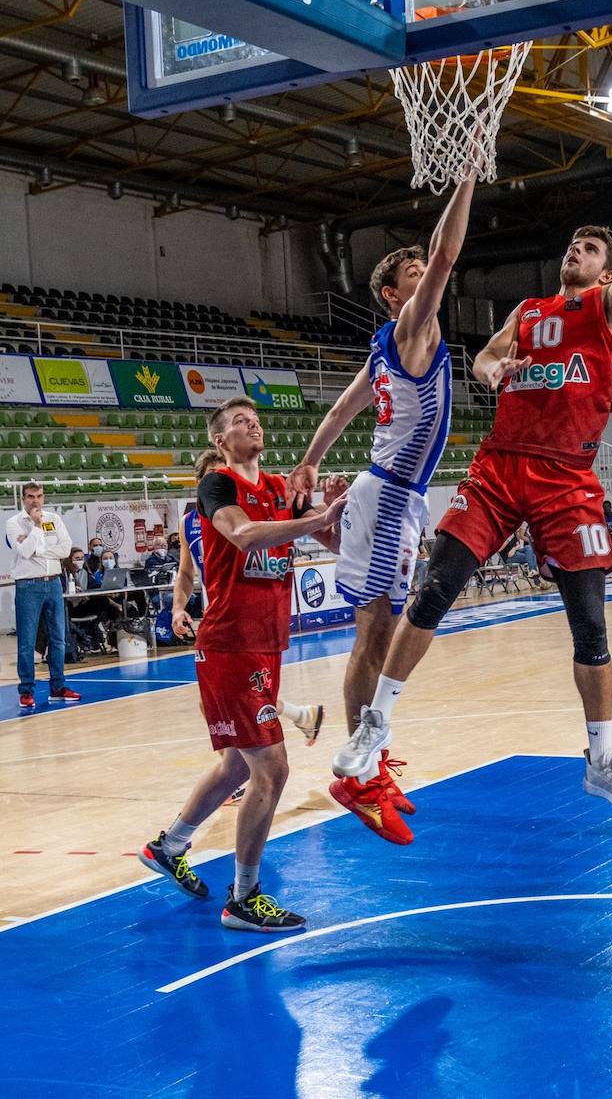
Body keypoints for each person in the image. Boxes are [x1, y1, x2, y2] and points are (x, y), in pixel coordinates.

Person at [336, 123, 612, 820]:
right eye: (573, 244)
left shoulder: (606, 309)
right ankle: (373, 728)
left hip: (568, 478)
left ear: (604, 270)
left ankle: (599, 758)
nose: (576, 250)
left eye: (589, 248)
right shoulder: (528, 312)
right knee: (435, 587)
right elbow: (481, 360)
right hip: (500, 466)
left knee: (589, 627)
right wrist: (493, 365)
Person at [288, 158, 479, 846]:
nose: (426, 272)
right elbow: (451, 251)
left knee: (379, 627)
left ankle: (365, 762)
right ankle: (356, 776)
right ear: (395, 297)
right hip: (390, 494)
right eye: (413, 272)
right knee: (373, 634)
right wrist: (466, 178)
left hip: (392, 495)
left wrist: (310, 460)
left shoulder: (381, 351)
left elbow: (339, 411)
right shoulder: (409, 332)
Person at [140, 396, 344, 932]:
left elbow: (331, 539)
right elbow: (243, 533)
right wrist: (314, 519)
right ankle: (245, 897)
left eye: (254, 419)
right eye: (237, 422)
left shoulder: (282, 486)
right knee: (272, 768)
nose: (251, 424)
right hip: (230, 644)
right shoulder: (219, 487)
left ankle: (171, 846)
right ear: (220, 442)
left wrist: (334, 511)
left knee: (237, 765)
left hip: (267, 642)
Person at [172, 447, 326, 754]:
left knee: (242, 698)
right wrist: (178, 607)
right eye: (217, 475)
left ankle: (237, 767)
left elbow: (307, 519)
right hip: (219, 619)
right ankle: (300, 717)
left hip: (253, 619)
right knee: (222, 700)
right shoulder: (190, 521)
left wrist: (329, 510)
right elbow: (186, 572)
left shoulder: (253, 513)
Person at [6, 481, 80, 710]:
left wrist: (37, 549)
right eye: (30, 496)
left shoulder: (55, 519)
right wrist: (37, 528)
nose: (35, 500)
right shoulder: (13, 523)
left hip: (54, 582)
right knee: (27, 641)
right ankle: (26, 690)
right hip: (29, 586)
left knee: (58, 638)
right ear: (22, 499)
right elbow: (24, 551)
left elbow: (65, 550)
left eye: (39, 496)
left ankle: (58, 687)